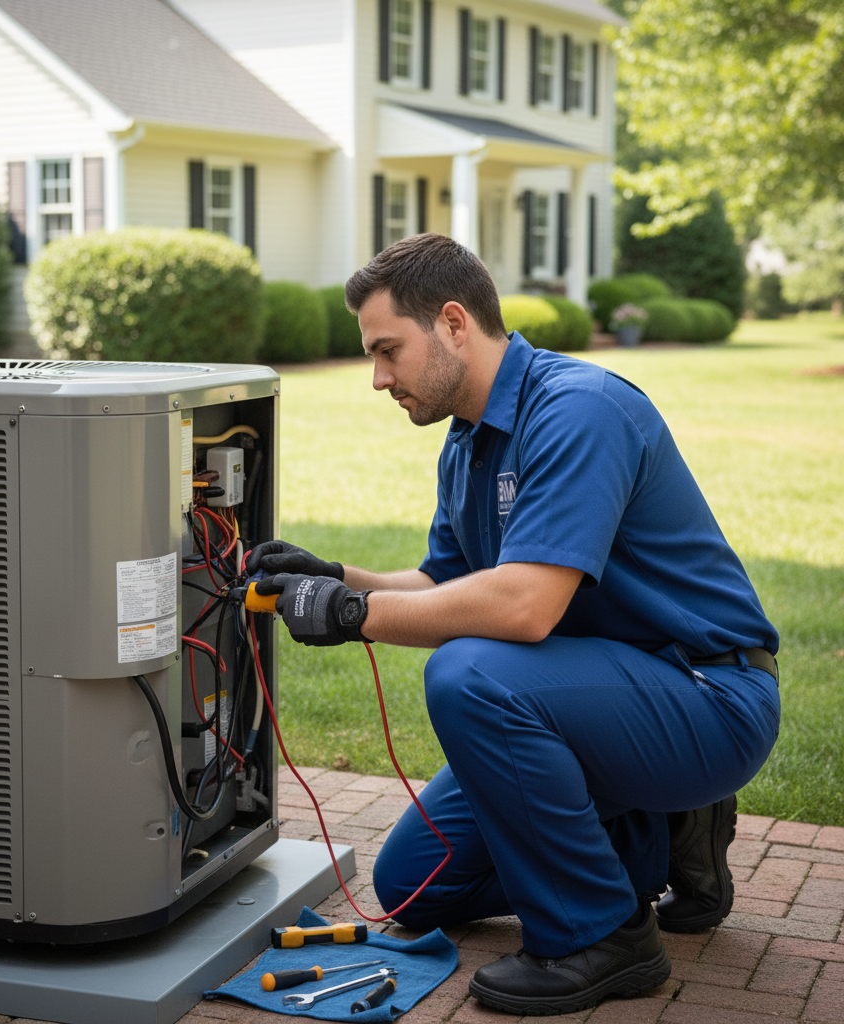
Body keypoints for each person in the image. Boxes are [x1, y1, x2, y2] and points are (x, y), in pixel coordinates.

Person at [246, 233, 780, 1017]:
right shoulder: (467, 441)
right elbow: (442, 582)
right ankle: (659, 836)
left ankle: (604, 936)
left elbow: (524, 608)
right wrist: (336, 577)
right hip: (599, 699)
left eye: (388, 350)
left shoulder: (579, 410)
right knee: (414, 886)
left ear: (454, 323)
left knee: (469, 674)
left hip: (708, 694)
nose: (377, 378)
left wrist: (356, 616)